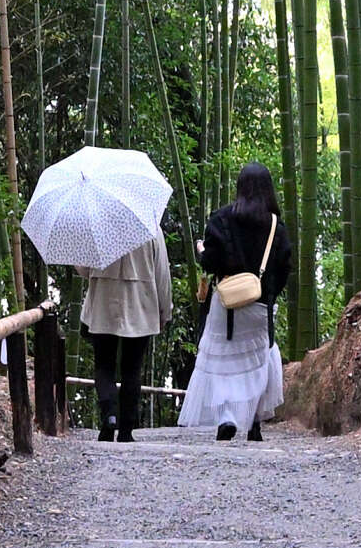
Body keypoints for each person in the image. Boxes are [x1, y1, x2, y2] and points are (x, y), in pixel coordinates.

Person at [180, 165, 295, 441]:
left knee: (222, 363)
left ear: (239, 187)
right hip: (260, 306)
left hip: (226, 304)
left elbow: (210, 262)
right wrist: (268, 294)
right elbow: (284, 268)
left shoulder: (221, 219)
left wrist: (201, 251)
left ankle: (227, 417)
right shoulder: (276, 226)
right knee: (258, 360)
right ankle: (253, 421)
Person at [79, 225, 170, 441]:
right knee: (132, 368)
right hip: (140, 303)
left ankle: (109, 416)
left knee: (104, 365)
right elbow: (162, 273)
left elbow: (83, 269)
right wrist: (165, 310)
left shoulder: (98, 225)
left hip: (104, 300)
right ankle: (127, 429)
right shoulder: (151, 227)